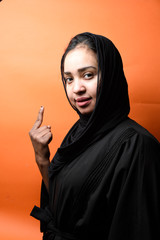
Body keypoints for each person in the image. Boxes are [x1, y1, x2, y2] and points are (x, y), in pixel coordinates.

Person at [29, 32, 160, 240]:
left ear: (110, 75)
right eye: (69, 79)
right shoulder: (78, 134)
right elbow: (61, 208)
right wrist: (42, 159)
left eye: (88, 75)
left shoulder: (137, 146)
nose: (77, 88)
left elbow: (138, 230)